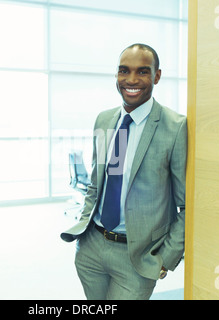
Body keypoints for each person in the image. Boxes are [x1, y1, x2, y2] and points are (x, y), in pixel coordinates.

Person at [60, 43, 187, 300]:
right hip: (92, 247)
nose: (131, 80)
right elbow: (98, 183)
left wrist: (165, 259)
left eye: (142, 71)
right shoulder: (105, 120)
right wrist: (85, 233)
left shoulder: (175, 127)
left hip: (137, 257)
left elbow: (187, 206)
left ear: (157, 76)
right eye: (123, 71)